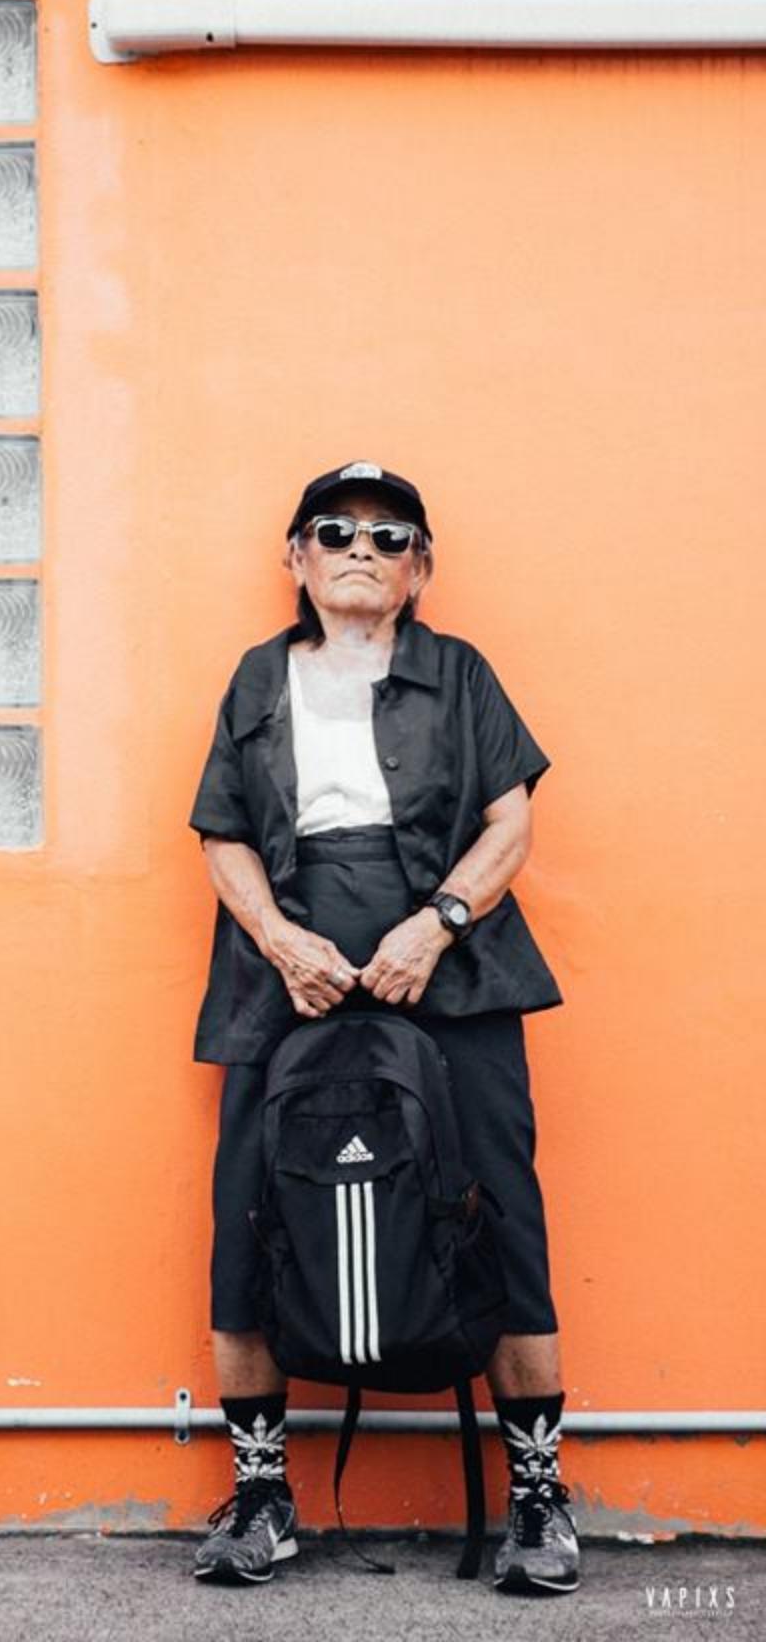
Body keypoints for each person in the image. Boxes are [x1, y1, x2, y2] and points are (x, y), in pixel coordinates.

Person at [187, 460, 579, 1594]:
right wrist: (279, 940)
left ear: (420, 569)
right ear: (296, 558)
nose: (361, 547)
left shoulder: (458, 674)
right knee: (246, 1214)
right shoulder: (257, 676)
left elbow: (510, 822)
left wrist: (435, 924)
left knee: (501, 1214)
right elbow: (222, 834)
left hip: (451, 970)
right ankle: (262, 1499)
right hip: (283, 973)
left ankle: (539, 1502)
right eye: (334, 530)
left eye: (389, 535)